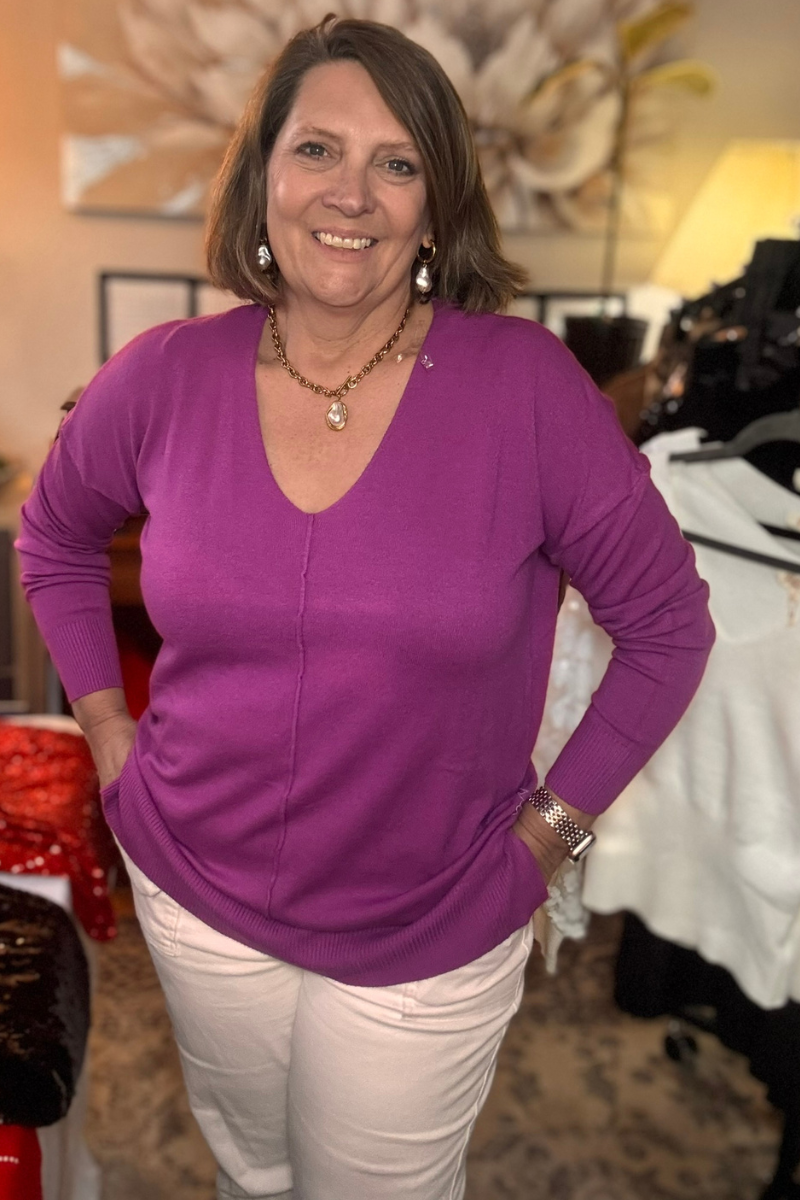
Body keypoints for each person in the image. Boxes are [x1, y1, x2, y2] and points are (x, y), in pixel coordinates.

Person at [16, 16, 714, 1200]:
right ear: (262, 178)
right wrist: (107, 732)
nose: (352, 193)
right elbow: (53, 538)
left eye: (396, 162)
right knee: (249, 1171)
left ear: (436, 207)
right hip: (194, 888)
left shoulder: (523, 390)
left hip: (433, 923)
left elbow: (666, 629)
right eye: (316, 150)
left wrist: (547, 840)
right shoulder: (164, 375)